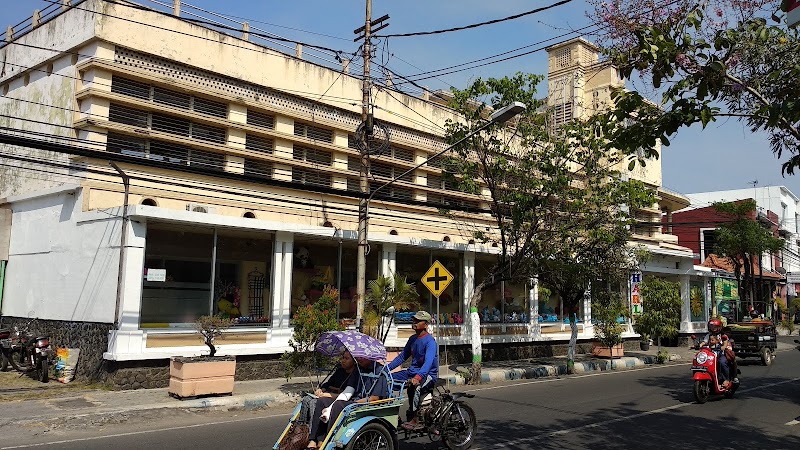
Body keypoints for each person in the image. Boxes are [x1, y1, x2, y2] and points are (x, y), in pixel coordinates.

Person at [388, 310, 438, 430]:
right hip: (411, 372)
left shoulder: (430, 342)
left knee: (415, 387)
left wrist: (417, 378)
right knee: (386, 380)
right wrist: (385, 370)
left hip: (428, 374)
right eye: (414, 320)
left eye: (417, 321)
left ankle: (415, 418)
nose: (414, 322)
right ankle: (392, 414)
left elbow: (428, 363)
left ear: (425, 324)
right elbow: (401, 357)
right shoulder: (412, 339)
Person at [306, 351, 359, 449]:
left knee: (324, 402)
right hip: (330, 396)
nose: (343, 361)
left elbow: (347, 394)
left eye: (346, 359)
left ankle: (326, 439)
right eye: (343, 358)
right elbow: (327, 383)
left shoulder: (356, 374)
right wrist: (321, 389)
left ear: (354, 361)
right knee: (309, 400)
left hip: (343, 399)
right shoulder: (340, 371)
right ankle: (313, 439)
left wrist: (327, 394)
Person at [699, 318, 735, 388]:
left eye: (715, 327)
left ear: (719, 327)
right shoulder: (708, 335)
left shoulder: (723, 335)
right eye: (712, 327)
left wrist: (724, 346)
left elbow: (725, 343)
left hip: (721, 354)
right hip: (711, 354)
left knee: (722, 362)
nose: (713, 328)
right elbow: (704, 342)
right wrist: (700, 345)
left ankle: (726, 379)